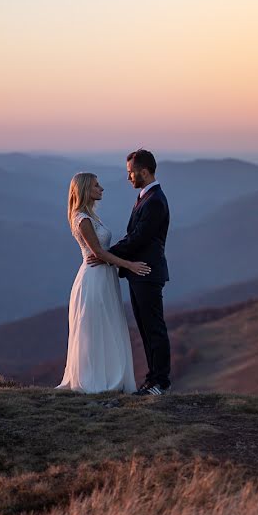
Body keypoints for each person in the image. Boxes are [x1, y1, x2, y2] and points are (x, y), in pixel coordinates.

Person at [87, 149, 172, 396]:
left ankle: (161, 382)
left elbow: (138, 238)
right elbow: (135, 237)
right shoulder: (147, 197)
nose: (128, 178)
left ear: (143, 172)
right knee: (146, 328)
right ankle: (152, 378)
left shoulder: (154, 201)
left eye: (131, 173)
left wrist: (106, 256)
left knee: (154, 328)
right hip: (138, 274)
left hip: (147, 273)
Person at [57, 173, 150, 394]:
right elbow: (98, 252)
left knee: (106, 325)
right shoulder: (83, 219)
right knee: (96, 327)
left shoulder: (90, 216)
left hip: (104, 277)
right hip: (94, 279)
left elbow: (102, 252)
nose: (101, 188)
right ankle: (96, 380)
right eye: (96, 185)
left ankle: (107, 376)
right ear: (85, 190)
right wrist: (129, 265)